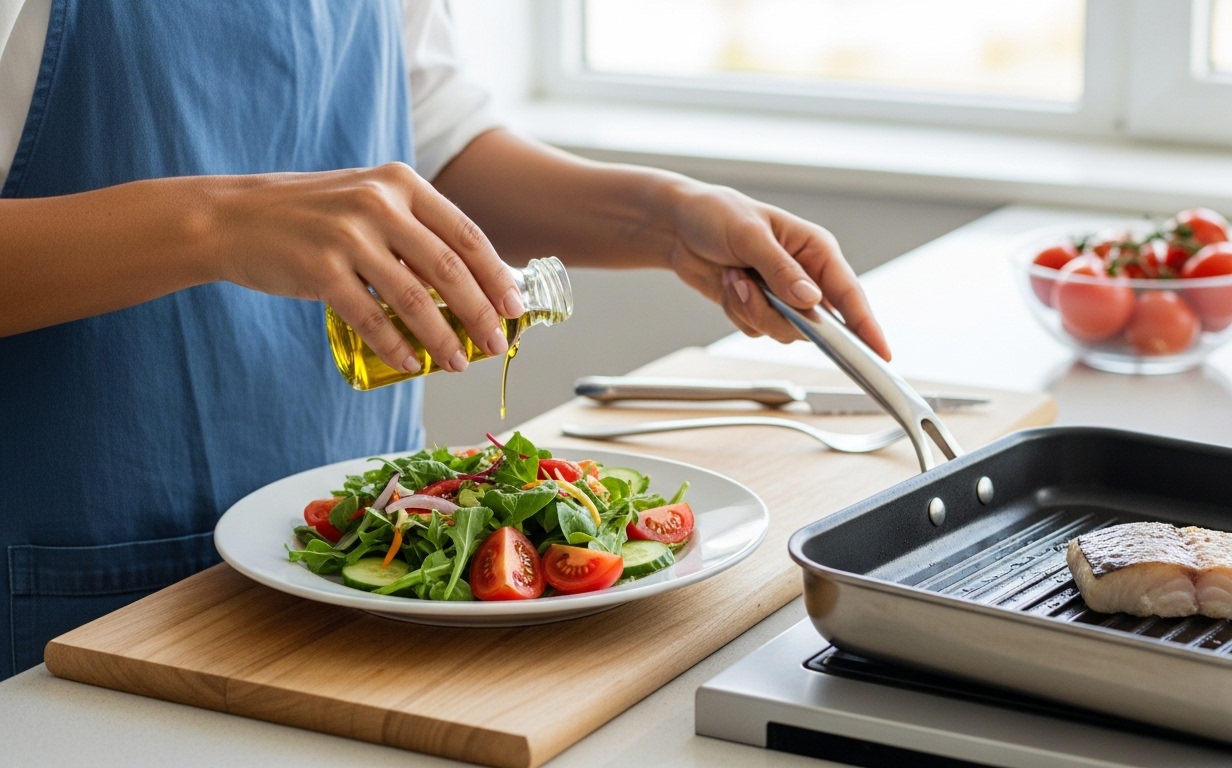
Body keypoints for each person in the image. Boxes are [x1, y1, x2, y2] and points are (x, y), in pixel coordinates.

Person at [0, 0, 889, 678]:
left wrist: (667, 218)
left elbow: (434, 143)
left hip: (359, 572)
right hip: (69, 582)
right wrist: (215, 223)